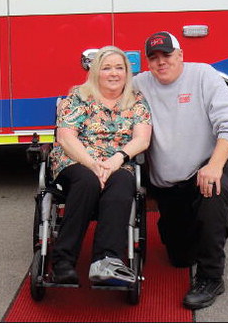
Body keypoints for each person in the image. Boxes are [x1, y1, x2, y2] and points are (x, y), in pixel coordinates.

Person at [132, 31, 228, 310]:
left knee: (213, 196)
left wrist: (215, 165)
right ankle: (195, 231)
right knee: (180, 257)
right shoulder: (138, 84)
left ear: (181, 54)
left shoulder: (203, 75)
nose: (161, 62)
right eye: (154, 57)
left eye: (167, 55)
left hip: (209, 164)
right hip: (169, 183)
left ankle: (211, 277)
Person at [49, 45, 152, 286]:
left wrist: (116, 160)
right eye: (107, 68)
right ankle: (63, 261)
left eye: (119, 68)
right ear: (96, 72)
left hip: (117, 161)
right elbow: (66, 137)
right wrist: (93, 164)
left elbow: (142, 139)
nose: (114, 73)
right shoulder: (78, 97)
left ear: (127, 72)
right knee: (87, 181)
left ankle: (106, 260)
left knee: (124, 183)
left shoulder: (136, 101)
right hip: (76, 159)